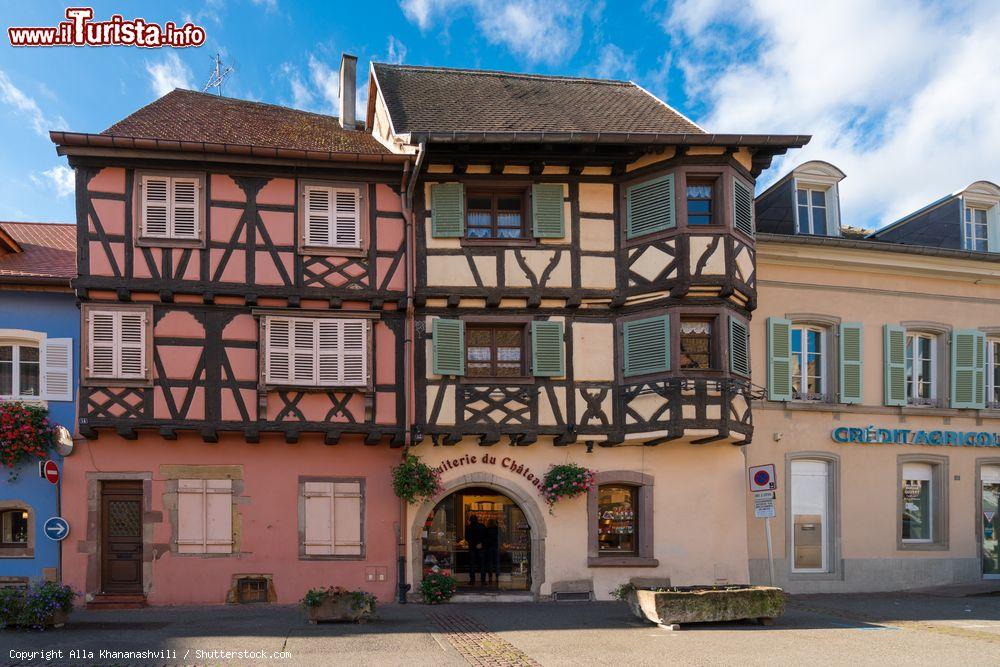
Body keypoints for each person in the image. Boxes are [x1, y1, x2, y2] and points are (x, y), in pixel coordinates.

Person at [466, 514, 486, 585]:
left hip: (472, 548)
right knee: (482, 565)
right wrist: (481, 543)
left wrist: (473, 544)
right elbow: (485, 537)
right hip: (481, 548)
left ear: (470, 520)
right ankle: (483, 580)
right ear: (477, 519)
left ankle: (472, 580)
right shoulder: (482, 526)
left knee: (472, 565)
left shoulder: (468, 527)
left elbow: (467, 538)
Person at [484, 519, 500, 587]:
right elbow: (500, 537)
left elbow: (484, 539)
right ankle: (497, 577)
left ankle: (490, 577)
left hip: (489, 547)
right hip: (496, 547)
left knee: (490, 563)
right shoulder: (497, 529)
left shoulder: (486, 529)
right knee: (496, 562)